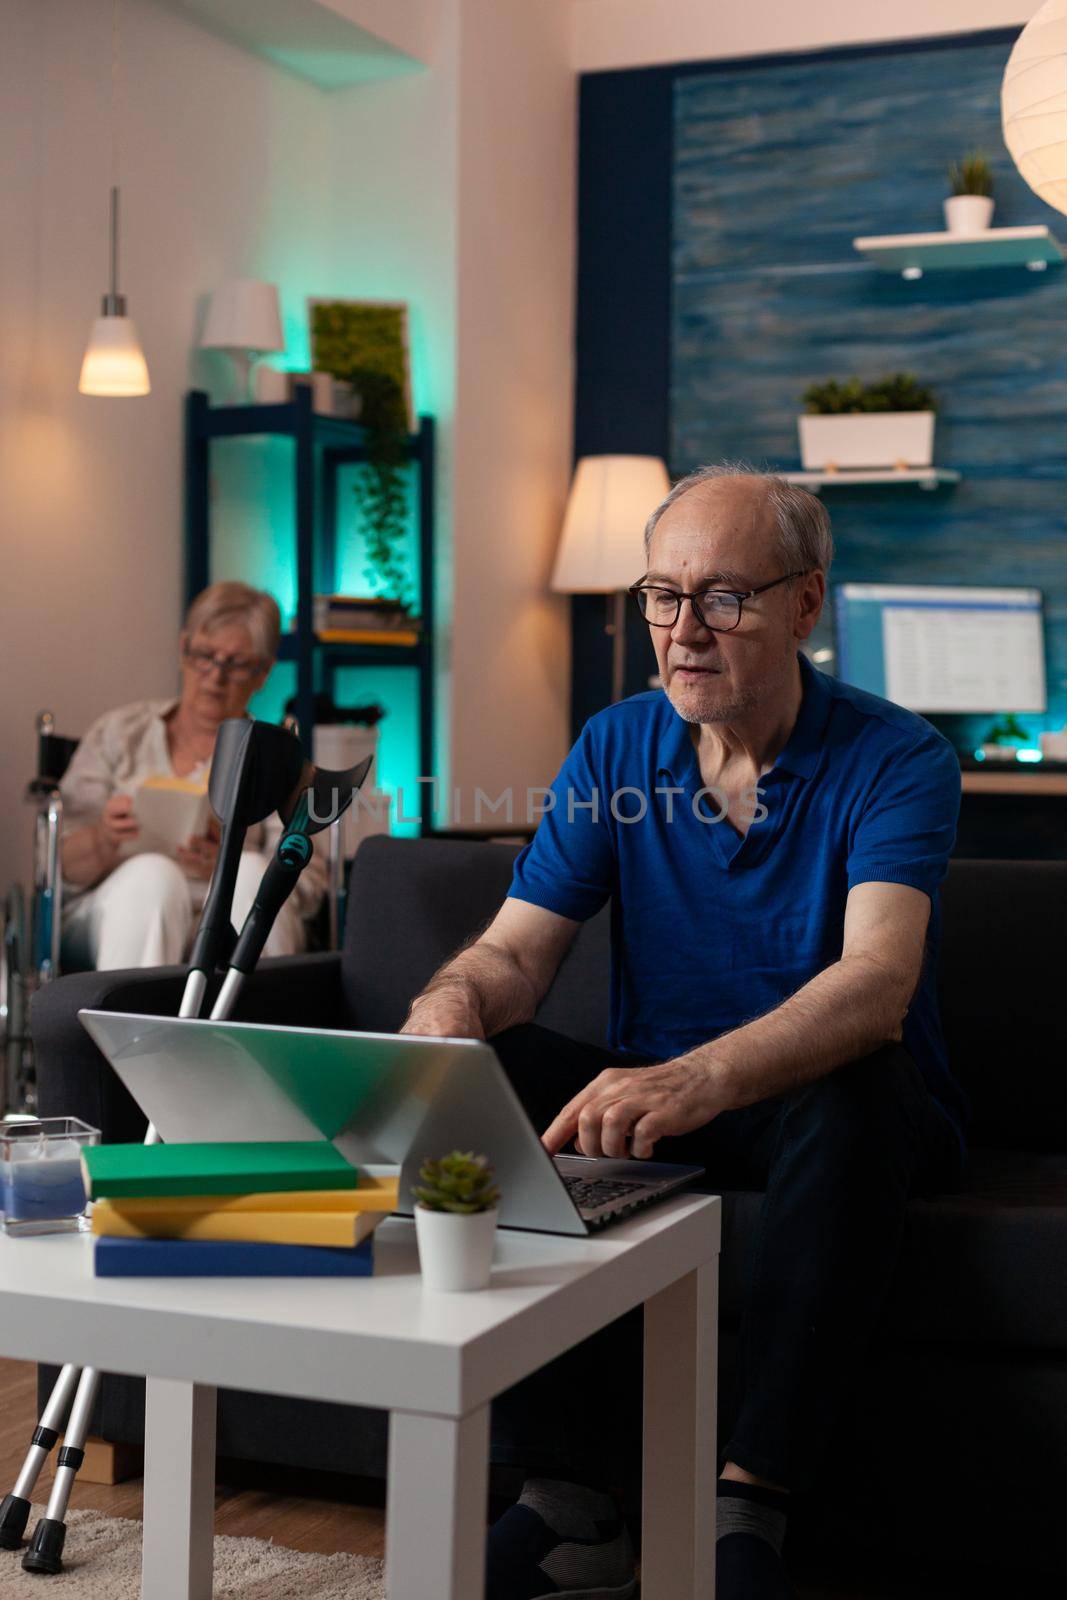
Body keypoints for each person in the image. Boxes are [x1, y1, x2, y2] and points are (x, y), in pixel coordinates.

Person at [399, 466, 965, 1600]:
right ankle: (569, 1508)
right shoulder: (616, 750)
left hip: (828, 1099)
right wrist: (444, 1017)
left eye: (721, 597)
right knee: (488, 1071)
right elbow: (515, 952)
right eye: (660, 596)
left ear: (804, 606)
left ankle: (743, 1511)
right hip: (666, 1107)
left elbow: (873, 985)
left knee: (851, 1096)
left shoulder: (896, 758)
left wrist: (697, 1076)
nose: (681, 632)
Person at [60, 580, 326, 971]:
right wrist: (103, 838)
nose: (215, 677)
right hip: (119, 909)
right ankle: (136, 1025)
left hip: (227, 911)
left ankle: (251, 1025)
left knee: (253, 872)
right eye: (205, 655)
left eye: (235, 664)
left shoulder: (276, 758)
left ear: (263, 672)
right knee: (152, 876)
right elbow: (59, 865)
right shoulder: (119, 734)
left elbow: (309, 882)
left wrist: (229, 859)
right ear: (184, 649)